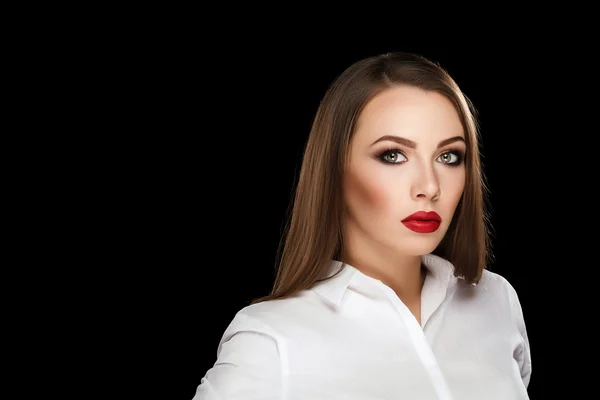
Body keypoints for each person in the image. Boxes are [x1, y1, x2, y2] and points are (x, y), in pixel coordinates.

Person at [193, 51, 532, 399]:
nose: (429, 187)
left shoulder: (495, 301)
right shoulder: (270, 342)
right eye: (392, 155)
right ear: (335, 169)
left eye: (448, 157)